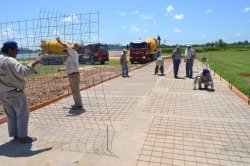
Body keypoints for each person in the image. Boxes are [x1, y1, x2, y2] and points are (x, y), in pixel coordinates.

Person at [0, 40, 41, 143]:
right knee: (22, 113)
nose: (17, 53)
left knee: (11, 115)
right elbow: (23, 72)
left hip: (2, 94)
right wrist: (34, 63)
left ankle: (15, 135)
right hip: (14, 92)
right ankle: (23, 136)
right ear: (10, 50)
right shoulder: (10, 60)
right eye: (16, 51)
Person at [56, 37, 83, 109]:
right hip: (71, 75)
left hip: (74, 75)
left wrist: (60, 42)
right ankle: (77, 104)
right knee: (74, 90)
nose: (65, 51)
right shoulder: (70, 56)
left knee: (76, 90)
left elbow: (66, 46)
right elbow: (70, 67)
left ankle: (79, 105)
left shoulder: (74, 53)